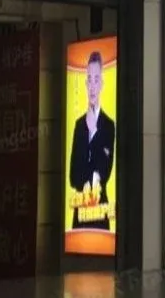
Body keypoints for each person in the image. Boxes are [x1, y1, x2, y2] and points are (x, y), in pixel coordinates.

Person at [68, 51, 115, 229]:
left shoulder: (109, 125)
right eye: (89, 80)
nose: (92, 86)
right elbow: (73, 177)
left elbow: (104, 172)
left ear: (101, 83)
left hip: (100, 213)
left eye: (96, 80)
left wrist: (94, 131)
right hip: (79, 214)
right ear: (86, 84)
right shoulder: (79, 125)